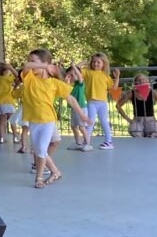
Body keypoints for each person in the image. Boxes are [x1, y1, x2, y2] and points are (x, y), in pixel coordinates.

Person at [21, 49, 85, 189]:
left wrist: (82, 115)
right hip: (33, 120)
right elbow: (26, 66)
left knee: (41, 149)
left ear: (45, 63)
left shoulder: (54, 83)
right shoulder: (29, 78)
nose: (31, 63)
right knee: (38, 149)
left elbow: (71, 99)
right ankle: (55, 172)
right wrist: (43, 66)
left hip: (48, 120)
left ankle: (39, 178)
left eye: (34, 61)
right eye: (30, 60)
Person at [82, 53, 120, 150]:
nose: (96, 64)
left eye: (98, 62)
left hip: (103, 103)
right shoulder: (87, 72)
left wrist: (117, 77)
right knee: (90, 122)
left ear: (104, 64)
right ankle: (86, 142)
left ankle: (109, 141)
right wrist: (81, 63)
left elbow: (113, 88)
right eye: (94, 61)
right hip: (91, 102)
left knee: (104, 122)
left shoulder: (106, 76)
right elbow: (77, 71)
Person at [116, 73, 157, 138]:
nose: (141, 81)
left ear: (147, 82)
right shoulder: (131, 93)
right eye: (139, 80)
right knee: (135, 131)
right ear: (135, 83)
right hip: (137, 121)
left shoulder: (152, 93)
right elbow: (118, 105)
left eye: (144, 79)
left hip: (150, 121)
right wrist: (128, 119)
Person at [63, 64, 93, 151]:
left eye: (73, 74)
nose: (72, 76)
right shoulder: (70, 86)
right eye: (70, 75)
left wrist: (74, 67)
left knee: (82, 127)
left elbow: (79, 76)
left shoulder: (80, 84)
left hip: (81, 109)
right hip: (74, 109)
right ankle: (78, 144)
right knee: (74, 127)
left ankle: (88, 144)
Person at [0, 62, 18, 144]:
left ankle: (1, 138)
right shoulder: (7, 78)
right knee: (12, 120)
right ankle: (15, 137)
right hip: (7, 101)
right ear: (5, 70)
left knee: (2, 121)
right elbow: (18, 76)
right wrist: (11, 68)